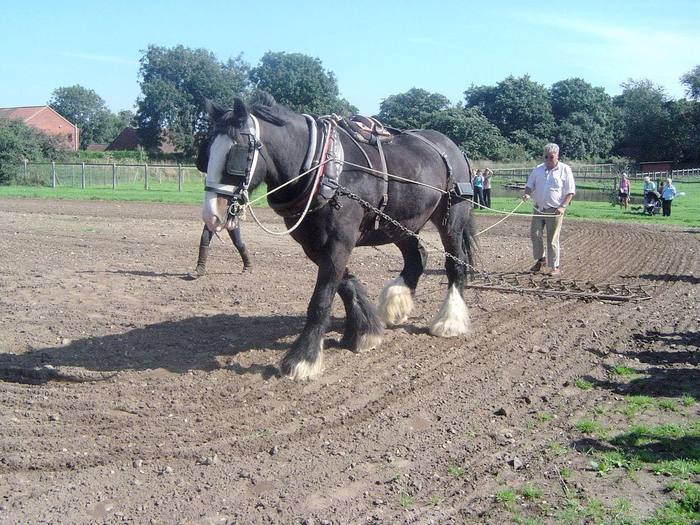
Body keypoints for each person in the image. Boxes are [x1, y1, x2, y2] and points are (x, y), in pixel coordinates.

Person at [522, 143, 576, 277]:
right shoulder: (538, 169)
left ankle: (555, 266)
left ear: (557, 156)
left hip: (555, 210)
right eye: (545, 157)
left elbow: (570, 191)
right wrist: (527, 193)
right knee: (535, 234)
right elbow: (529, 185)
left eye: (551, 157)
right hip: (538, 208)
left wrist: (563, 206)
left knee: (552, 239)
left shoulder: (565, 169)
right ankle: (541, 259)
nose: (548, 160)